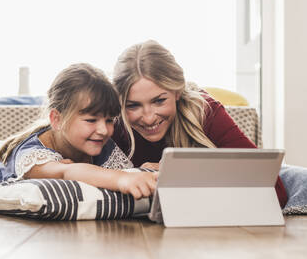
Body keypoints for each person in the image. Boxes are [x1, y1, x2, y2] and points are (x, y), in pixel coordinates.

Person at [0, 63, 157, 207]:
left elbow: (124, 172)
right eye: (91, 120)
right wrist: (121, 180)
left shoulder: (98, 141)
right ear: (57, 119)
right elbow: (66, 172)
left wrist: (147, 172)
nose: (104, 130)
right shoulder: (32, 157)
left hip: (4, 148)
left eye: (108, 120)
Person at [112, 40, 288, 208]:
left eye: (159, 101)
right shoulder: (112, 122)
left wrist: (177, 171)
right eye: (133, 105)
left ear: (177, 92)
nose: (149, 118)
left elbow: (275, 192)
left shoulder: (205, 111)